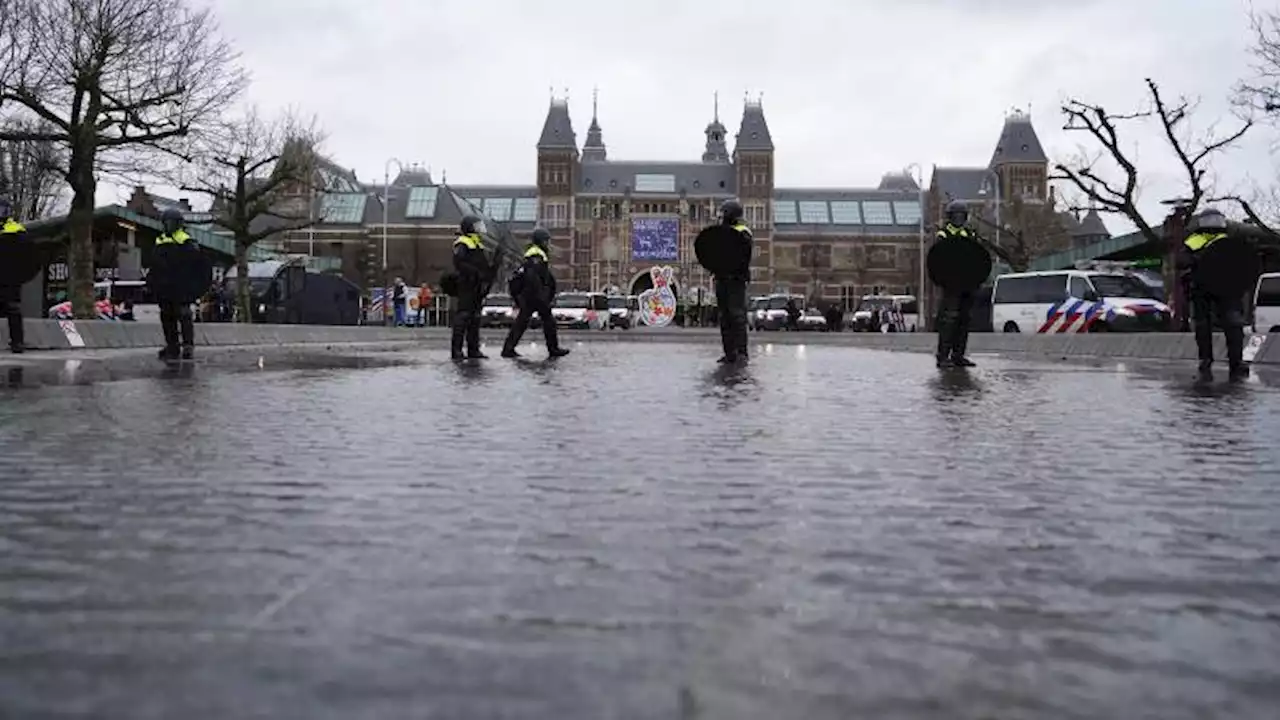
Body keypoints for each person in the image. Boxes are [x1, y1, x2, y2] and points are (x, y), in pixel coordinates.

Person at [1179, 208, 1249, 382]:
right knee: (1203, 326)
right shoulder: (1194, 241)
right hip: (1202, 288)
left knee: (1233, 325)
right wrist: (1197, 259)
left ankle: (1236, 361)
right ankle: (1205, 359)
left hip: (1226, 287)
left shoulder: (1228, 241)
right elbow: (1181, 261)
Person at [501, 228, 569, 359]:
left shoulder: (538, 253)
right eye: (546, 240)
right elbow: (533, 276)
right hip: (534, 295)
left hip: (532, 294)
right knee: (546, 321)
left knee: (523, 322)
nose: (548, 243)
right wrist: (541, 294)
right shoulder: (535, 254)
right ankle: (553, 348)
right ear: (541, 241)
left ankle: (508, 349)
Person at [934, 200, 983, 368]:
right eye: (955, 215)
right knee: (949, 320)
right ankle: (942, 356)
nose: (958, 218)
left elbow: (978, 257)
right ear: (950, 217)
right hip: (951, 284)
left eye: (961, 215)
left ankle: (958, 355)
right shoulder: (943, 235)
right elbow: (937, 259)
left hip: (968, 283)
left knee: (964, 319)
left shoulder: (970, 234)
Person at [151, 209, 198, 360]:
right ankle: (172, 345)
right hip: (165, 286)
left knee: (184, 314)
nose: (168, 225)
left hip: (181, 285)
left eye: (171, 223)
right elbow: (155, 263)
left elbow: (195, 265)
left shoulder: (186, 241)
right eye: (166, 223)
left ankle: (188, 346)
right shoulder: (160, 240)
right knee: (167, 316)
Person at [451, 214, 495, 360]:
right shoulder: (462, 242)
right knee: (463, 316)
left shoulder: (477, 243)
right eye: (477, 226)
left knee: (475, 318)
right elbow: (459, 262)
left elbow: (482, 265)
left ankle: (473, 349)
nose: (479, 229)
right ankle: (456, 350)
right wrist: (475, 273)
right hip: (466, 284)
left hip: (477, 285)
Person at [714, 200, 753, 363]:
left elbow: (743, 256)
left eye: (724, 212)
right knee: (724, 317)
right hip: (722, 278)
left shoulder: (743, 231)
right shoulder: (720, 231)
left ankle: (741, 352)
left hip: (736, 280)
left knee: (737, 316)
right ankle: (729, 352)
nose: (721, 216)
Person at [0, 197, 28, 353]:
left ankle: (17, 342)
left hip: (10, 276)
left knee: (13, 309)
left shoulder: (15, 229)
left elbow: (25, 253)